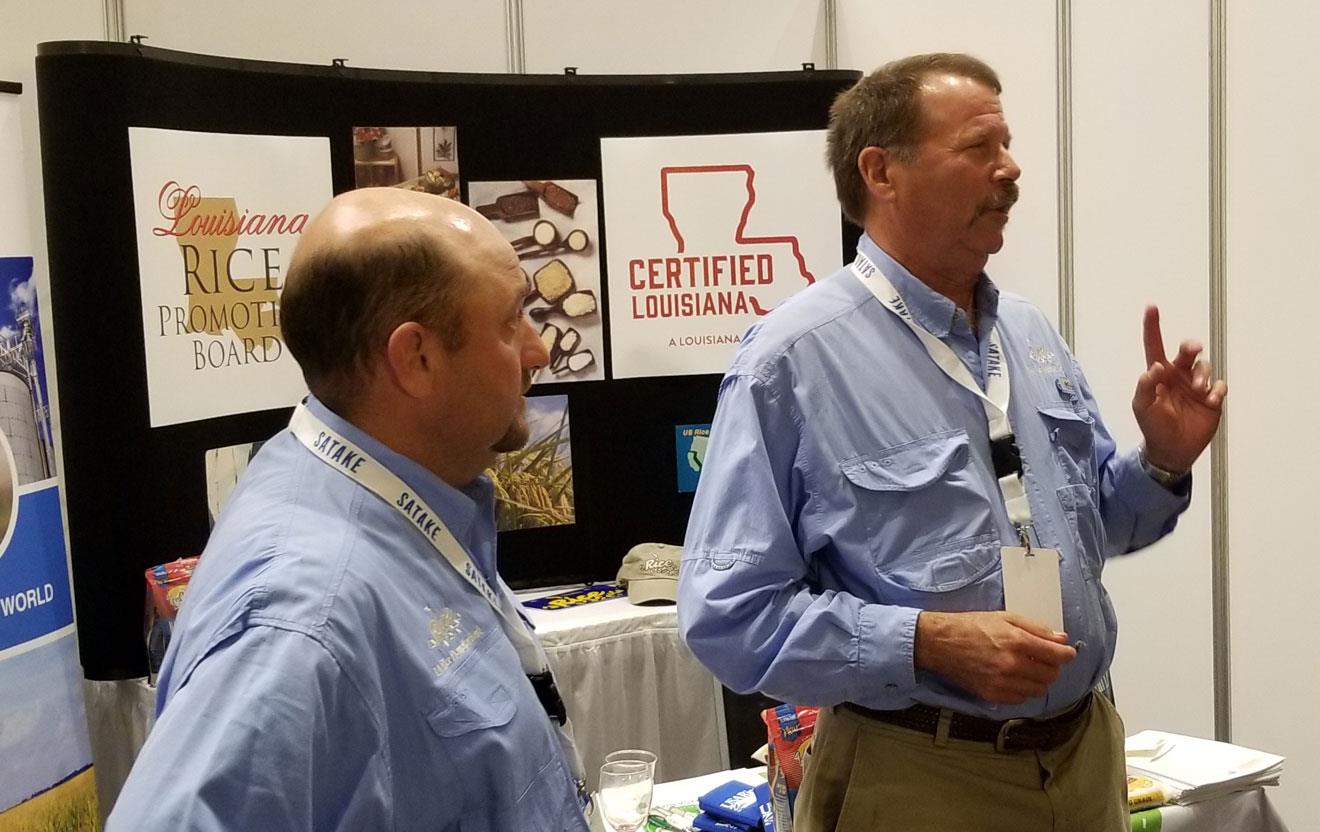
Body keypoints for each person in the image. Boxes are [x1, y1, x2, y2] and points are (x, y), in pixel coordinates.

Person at [678, 53, 1226, 831]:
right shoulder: (790, 363)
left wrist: (1164, 461)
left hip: (1085, 760)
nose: (1010, 170)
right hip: (919, 779)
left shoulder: (1026, 333)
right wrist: (924, 643)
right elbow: (729, 617)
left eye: (1007, 145)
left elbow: (1096, 525)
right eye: (980, 148)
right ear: (881, 172)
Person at [108, 188, 590, 831]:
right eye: (510, 321)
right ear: (416, 359)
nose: (538, 350)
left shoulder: (391, 495)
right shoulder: (303, 617)